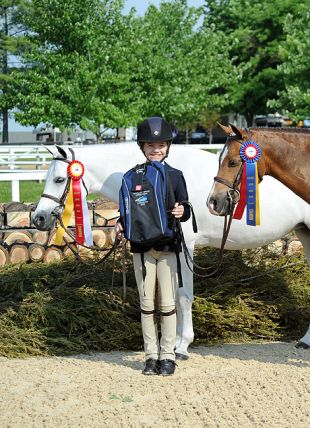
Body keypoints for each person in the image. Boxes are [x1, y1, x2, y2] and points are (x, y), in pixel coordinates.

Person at [117, 117, 192, 376]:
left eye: (160, 145)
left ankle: (168, 355)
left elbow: (186, 207)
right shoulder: (132, 177)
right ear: (142, 147)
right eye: (150, 145)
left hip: (168, 247)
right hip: (141, 250)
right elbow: (128, 212)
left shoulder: (176, 176)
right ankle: (151, 356)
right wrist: (120, 224)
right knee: (147, 304)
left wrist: (183, 210)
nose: (155, 149)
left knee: (168, 304)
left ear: (168, 146)